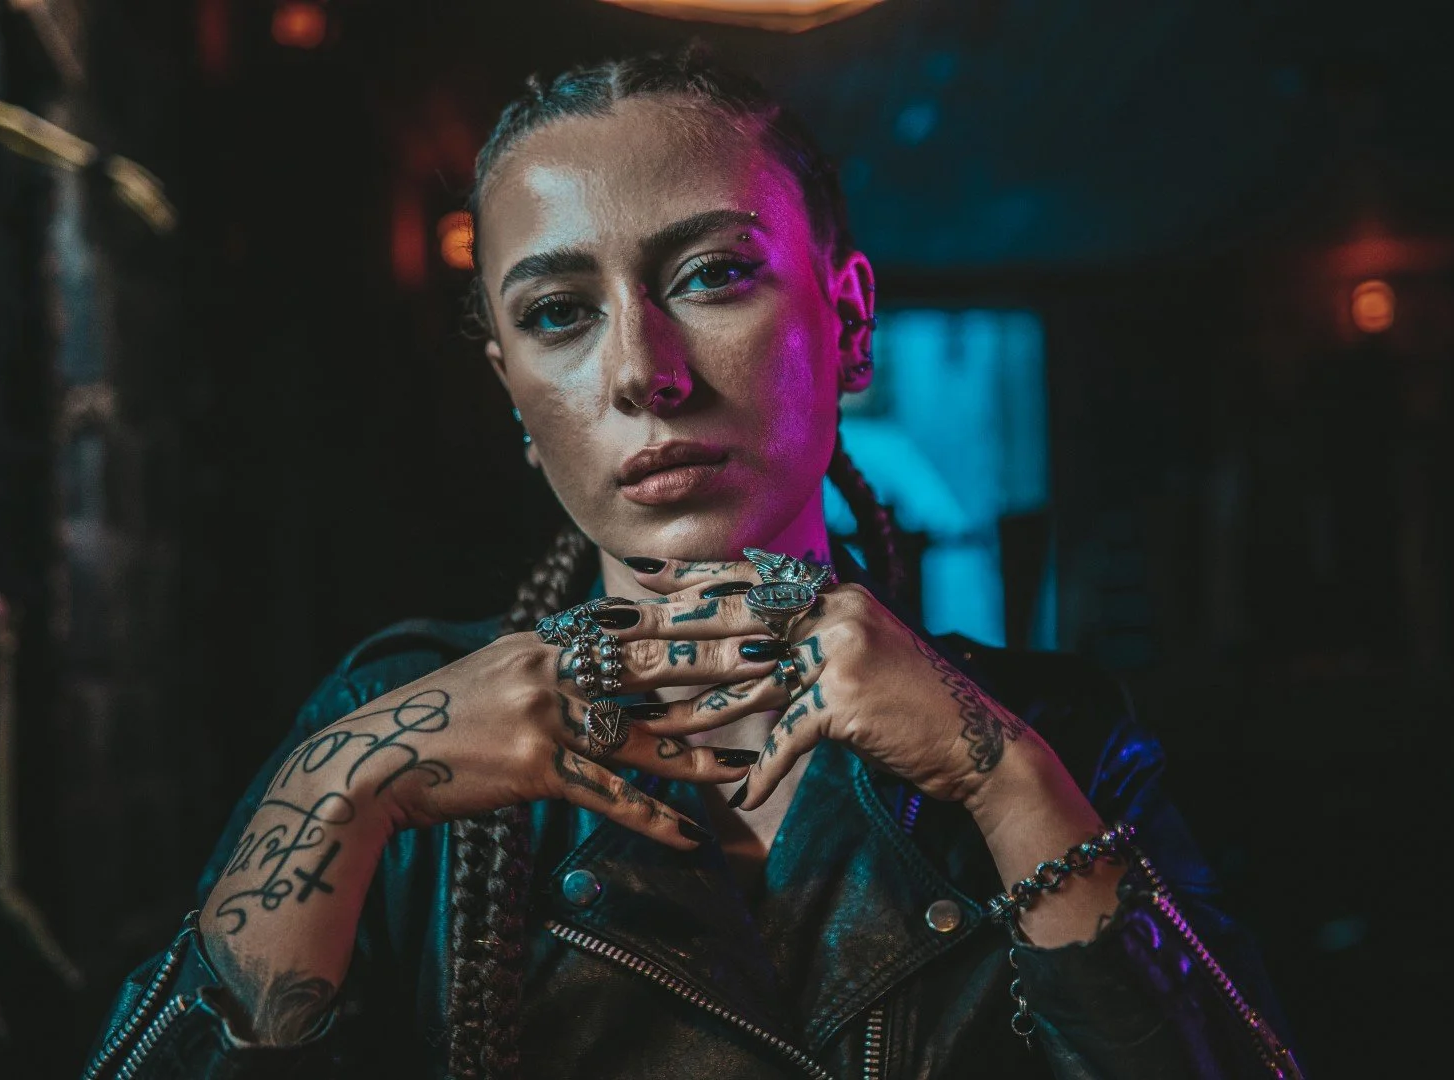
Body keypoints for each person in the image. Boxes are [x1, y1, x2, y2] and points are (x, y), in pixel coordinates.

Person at [80, 48, 1303, 1080]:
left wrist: (1004, 779)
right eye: (559, 313)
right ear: (511, 390)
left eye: (713, 275)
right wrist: (336, 790)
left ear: (849, 321)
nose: (642, 371)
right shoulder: (388, 721)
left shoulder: (1056, 736)